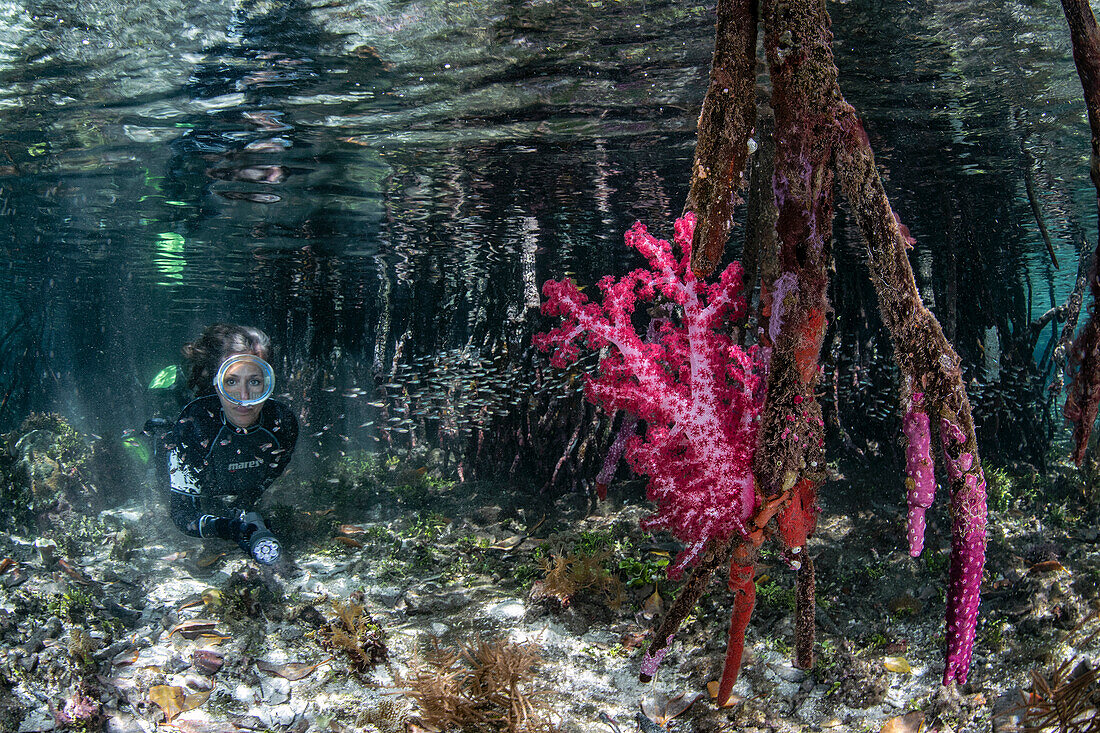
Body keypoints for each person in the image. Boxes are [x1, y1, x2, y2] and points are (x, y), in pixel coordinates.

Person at [162, 324, 298, 564]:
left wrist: (243, 508)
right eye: (231, 381)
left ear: (269, 381)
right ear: (216, 382)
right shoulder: (194, 424)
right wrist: (226, 528)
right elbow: (182, 514)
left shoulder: (283, 423)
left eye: (254, 381)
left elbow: (265, 480)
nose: (243, 399)